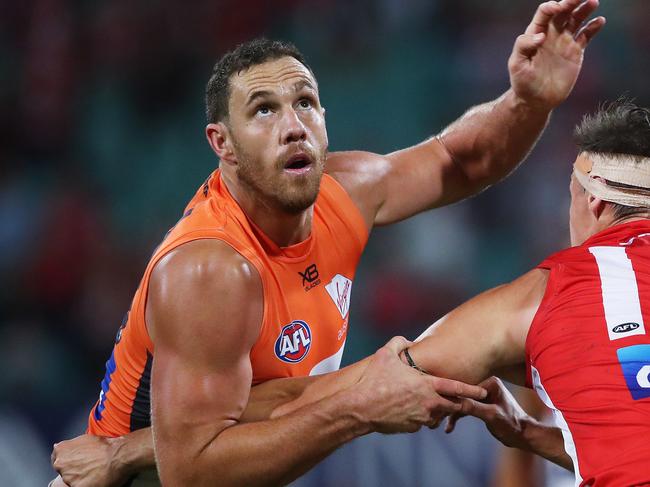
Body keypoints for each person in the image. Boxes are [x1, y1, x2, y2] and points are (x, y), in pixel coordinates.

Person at [50, 1, 605, 486]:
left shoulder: (345, 193)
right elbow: (193, 471)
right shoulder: (211, 268)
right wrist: (359, 409)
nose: (293, 125)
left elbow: (462, 160)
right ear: (223, 144)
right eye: (263, 110)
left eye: (305, 103)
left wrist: (527, 101)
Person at [280, 99, 650, 486]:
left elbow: (386, 380)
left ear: (594, 200)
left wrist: (252, 407)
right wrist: (528, 433)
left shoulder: (541, 296)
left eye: (570, 194)